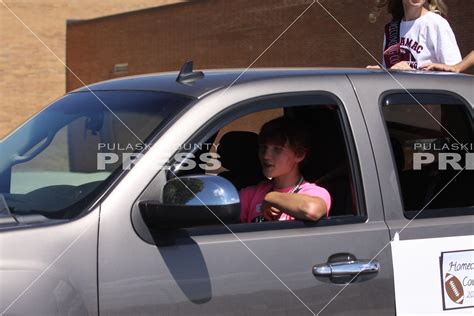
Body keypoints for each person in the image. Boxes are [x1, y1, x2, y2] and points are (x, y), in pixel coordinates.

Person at [239, 117, 331, 223]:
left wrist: (272, 198)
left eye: (277, 150)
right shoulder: (250, 194)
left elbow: (312, 210)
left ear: (299, 154)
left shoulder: (314, 192)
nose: (266, 156)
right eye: (263, 148)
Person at [368, 0, 462, 70]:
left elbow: (454, 74)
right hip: (398, 95)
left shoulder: (436, 23)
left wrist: (411, 73)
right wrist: (380, 72)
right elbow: (392, 71)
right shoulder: (391, 29)